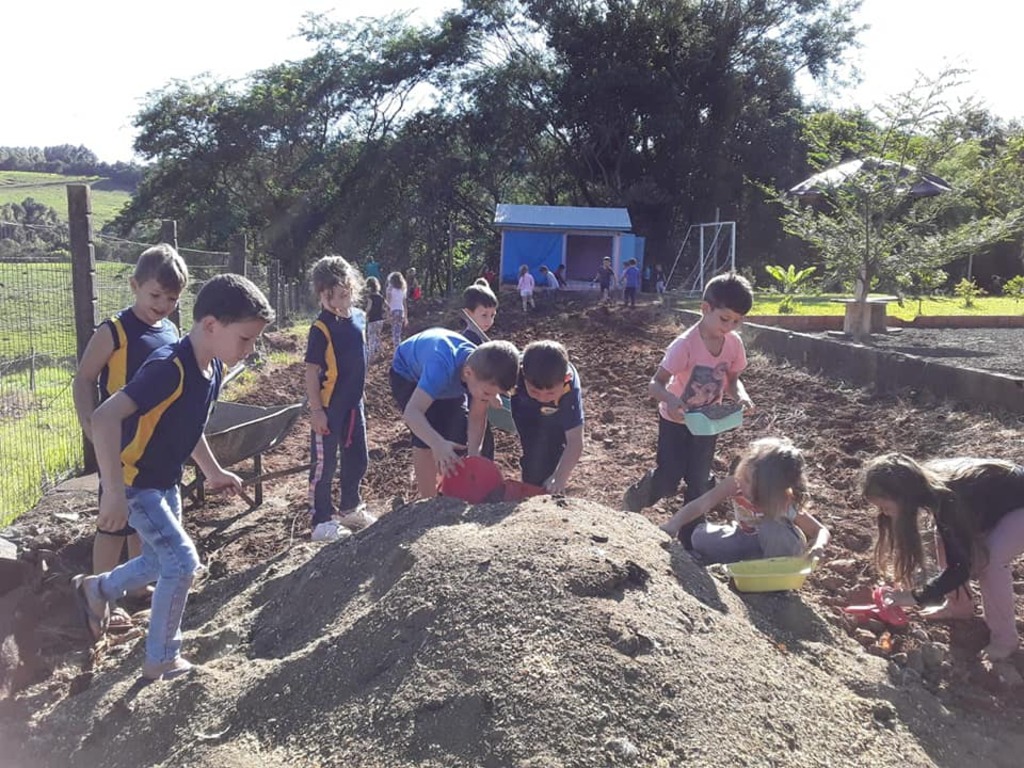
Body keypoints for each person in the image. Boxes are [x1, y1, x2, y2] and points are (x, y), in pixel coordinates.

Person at [71, 274, 274, 681]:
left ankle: (95, 590)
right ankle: (162, 657)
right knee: (181, 562)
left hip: (164, 483)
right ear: (212, 326)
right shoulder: (169, 368)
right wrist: (112, 491)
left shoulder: (212, 368)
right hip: (135, 483)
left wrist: (212, 470)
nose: (250, 351)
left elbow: (189, 425)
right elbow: (105, 417)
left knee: (154, 560)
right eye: (246, 340)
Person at [72, 243, 188, 625]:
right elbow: (85, 378)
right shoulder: (115, 331)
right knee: (114, 522)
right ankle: (100, 594)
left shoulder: (171, 330)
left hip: (153, 446)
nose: (163, 304)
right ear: (135, 285)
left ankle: (137, 586)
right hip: (119, 446)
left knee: (146, 520)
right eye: (155, 295)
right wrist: (90, 424)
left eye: (171, 298)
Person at [622, 272, 754, 548]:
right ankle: (636, 498)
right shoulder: (684, 345)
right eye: (725, 319)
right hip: (675, 420)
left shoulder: (733, 344)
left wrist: (741, 397)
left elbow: (732, 380)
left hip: (708, 423)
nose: (730, 327)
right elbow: (655, 384)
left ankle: (690, 537)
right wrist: (671, 400)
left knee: (699, 479)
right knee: (669, 477)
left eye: (737, 321)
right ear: (705, 309)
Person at [862, 453, 1024, 661]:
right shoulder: (925, 487)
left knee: (990, 561)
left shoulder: (948, 497)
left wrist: (914, 597)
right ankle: (958, 606)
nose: (883, 513)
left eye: (884, 507)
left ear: (902, 496)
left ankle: (1005, 640)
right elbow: (956, 548)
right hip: (999, 504)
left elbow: (960, 567)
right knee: (944, 536)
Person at [390, 329, 519, 499]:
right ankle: (428, 502)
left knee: (457, 428)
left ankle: (453, 489)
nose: (487, 398)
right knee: (425, 437)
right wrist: (437, 443)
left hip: (451, 380)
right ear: (468, 373)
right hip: (409, 375)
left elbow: (477, 417)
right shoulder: (441, 368)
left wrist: (474, 456)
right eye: (488, 393)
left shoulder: (480, 373)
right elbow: (412, 413)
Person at [660, 438, 830, 564]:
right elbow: (701, 504)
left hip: (779, 547)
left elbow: (820, 530)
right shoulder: (735, 484)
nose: (743, 483)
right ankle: (749, 562)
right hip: (745, 538)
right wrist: (674, 524)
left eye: (751, 484)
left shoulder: (784, 500)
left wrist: (818, 547)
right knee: (699, 537)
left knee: (773, 528)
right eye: (745, 477)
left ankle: (774, 573)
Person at [305, 256, 376, 542]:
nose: (345, 296)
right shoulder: (321, 328)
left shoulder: (358, 317)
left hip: (353, 404)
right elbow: (311, 372)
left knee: (358, 457)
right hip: (329, 406)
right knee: (324, 465)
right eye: (338, 293)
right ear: (323, 293)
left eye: (348, 290)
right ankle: (320, 519)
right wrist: (316, 410)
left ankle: (350, 506)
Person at [510, 340, 585, 494]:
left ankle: (548, 485)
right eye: (536, 391)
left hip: (556, 409)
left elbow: (575, 440)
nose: (543, 397)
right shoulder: (513, 370)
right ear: (523, 374)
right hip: (524, 403)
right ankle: (532, 482)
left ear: (565, 379)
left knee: (554, 446)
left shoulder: (568, 390)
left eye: (549, 392)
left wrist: (559, 477)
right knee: (533, 449)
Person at [460, 278, 500, 460]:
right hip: (469, 403)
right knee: (481, 442)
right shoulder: (469, 342)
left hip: (479, 400)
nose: (489, 320)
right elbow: (475, 375)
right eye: (484, 315)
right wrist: (492, 395)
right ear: (468, 314)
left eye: (493, 315)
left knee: (485, 441)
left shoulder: (481, 340)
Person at [385, 271, 408, 350]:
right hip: (400, 311)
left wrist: (387, 314)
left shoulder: (390, 289)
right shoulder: (402, 289)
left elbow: (388, 302)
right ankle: (398, 348)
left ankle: (397, 350)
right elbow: (404, 304)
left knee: (394, 333)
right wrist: (406, 317)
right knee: (398, 332)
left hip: (393, 311)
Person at [365, 276, 385, 362]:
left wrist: (365, 315)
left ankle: (371, 357)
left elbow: (369, 308)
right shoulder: (380, 297)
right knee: (378, 337)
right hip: (380, 320)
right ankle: (381, 352)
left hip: (372, 320)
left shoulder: (371, 297)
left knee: (371, 338)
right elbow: (385, 306)